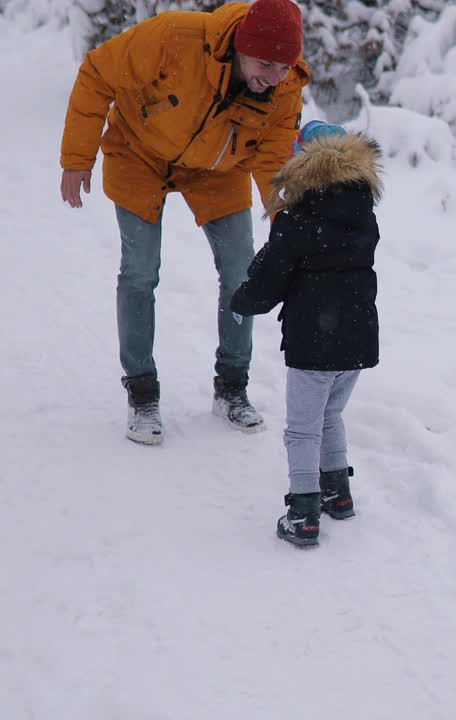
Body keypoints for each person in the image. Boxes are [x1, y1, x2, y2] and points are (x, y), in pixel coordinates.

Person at [58, 0, 310, 445]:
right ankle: (141, 391)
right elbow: (98, 73)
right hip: (139, 153)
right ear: (240, 48)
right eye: (265, 64)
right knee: (140, 271)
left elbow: (272, 158)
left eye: (283, 67)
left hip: (220, 167)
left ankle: (232, 386)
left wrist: (283, 218)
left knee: (240, 271)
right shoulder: (176, 37)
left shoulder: (284, 85)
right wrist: (78, 159)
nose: (274, 77)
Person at [230, 122, 382, 546]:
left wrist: (243, 300)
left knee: (302, 428)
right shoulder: (362, 211)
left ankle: (303, 511)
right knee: (331, 415)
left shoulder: (299, 215)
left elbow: (271, 275)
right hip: (357, 336)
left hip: (315, 338)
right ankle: (337, 492)